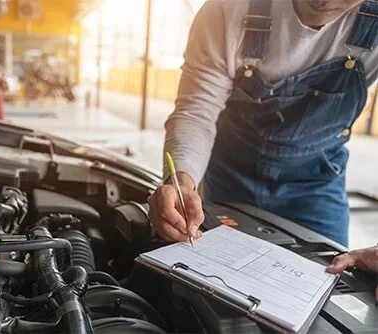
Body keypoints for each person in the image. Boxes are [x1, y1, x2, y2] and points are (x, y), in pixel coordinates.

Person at [147, 0, 378, 248]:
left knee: (328, 278)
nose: (325, 0)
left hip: (316, 189)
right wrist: (181, 181)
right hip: (229, 180)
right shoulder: (228, 8)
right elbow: (197, 110)